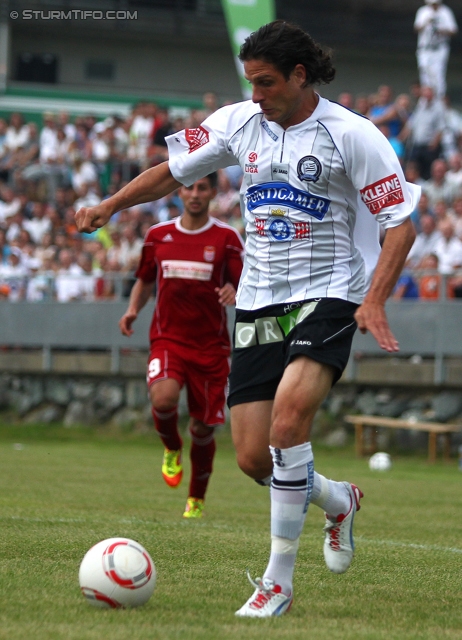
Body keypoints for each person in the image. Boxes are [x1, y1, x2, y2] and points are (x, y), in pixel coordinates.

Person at [75, 20, 418, 617]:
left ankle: (276, 583)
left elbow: (400, 225)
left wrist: (375, 298)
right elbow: (172, 172)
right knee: (256, 458)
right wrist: (110, 204)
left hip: (329, 294)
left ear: (299, 76)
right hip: (259, 299)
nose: (255, 94)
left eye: (265, 83)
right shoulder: (239, 121)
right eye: (250, 83)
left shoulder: (354, 136)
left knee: (289, 426)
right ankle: (337, 500)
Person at [118, 173, 244, 518]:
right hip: (168, 340)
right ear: (180, 191)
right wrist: (132, 310)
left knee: (203, 428)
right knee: (163, 397)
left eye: (203, 188)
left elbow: (246, 282)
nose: (195, 194)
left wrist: (235, 290)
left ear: (213, 193)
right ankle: (171, 447)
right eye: (189, 187)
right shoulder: (158, 236)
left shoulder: (227, 238)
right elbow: (144, 279)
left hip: (211, 348)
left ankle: (196, 500)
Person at [414, 0, 458, 99]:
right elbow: (417, 28)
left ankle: (439, 97)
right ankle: (426, 98)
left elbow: (453, 30)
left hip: (439, 48)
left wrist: (442, 30)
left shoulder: (446, 12)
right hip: (424, 48)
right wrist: (427, 22)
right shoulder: (423, 11)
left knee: (438, 74)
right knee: (424, 72)